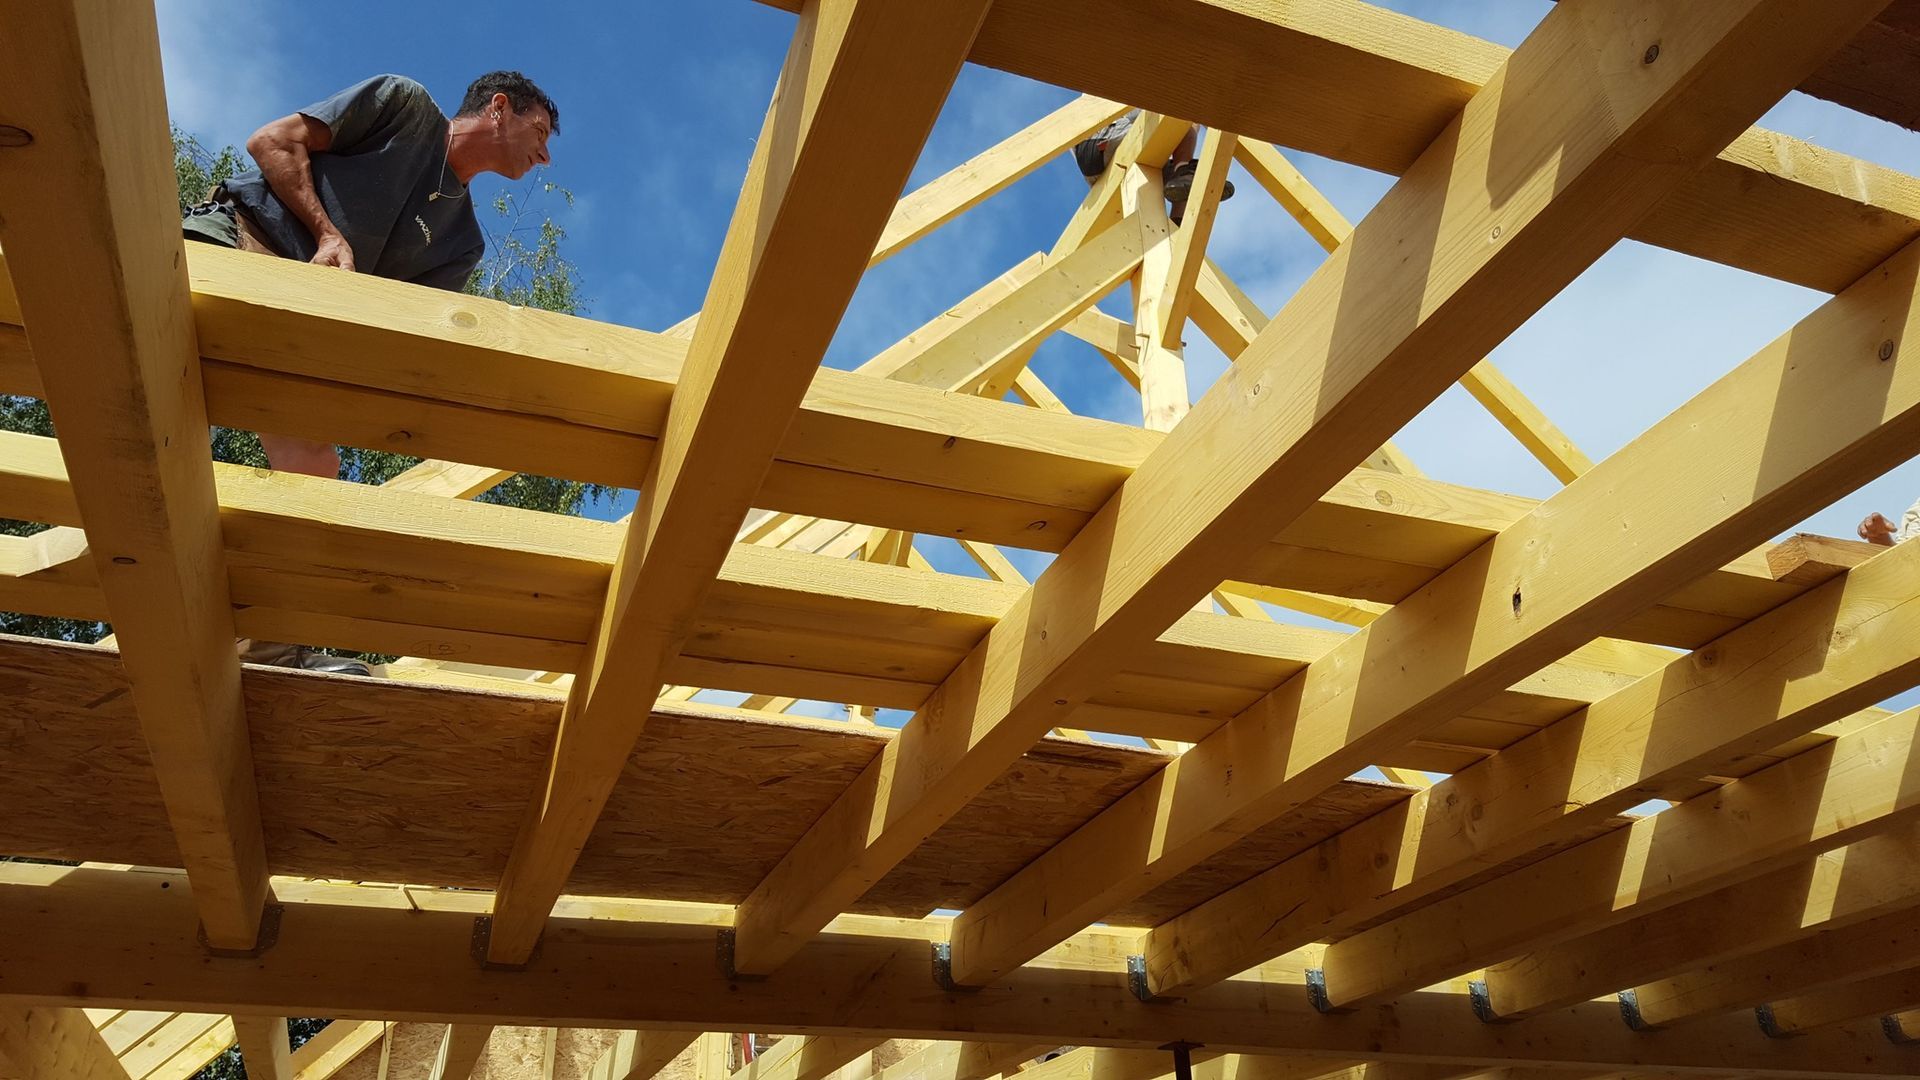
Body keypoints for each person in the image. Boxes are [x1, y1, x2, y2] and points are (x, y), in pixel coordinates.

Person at [182, 70, 559, 674]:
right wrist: (326, 235)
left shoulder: (461, 243)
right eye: (538, 132)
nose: (544, 156)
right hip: (238, 248)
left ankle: (272, 651)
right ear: (498, 108)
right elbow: (270, 142)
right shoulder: (403, 108)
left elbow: (398, 337)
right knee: (159, 402)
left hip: (294, 333)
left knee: (314, 467)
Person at [1071, 111, 1232, 223]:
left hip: (1099, 160)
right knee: (1184, 113)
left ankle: (1178, 219)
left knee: (1185, 178)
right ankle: (1182, 171)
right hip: (1100, 141)